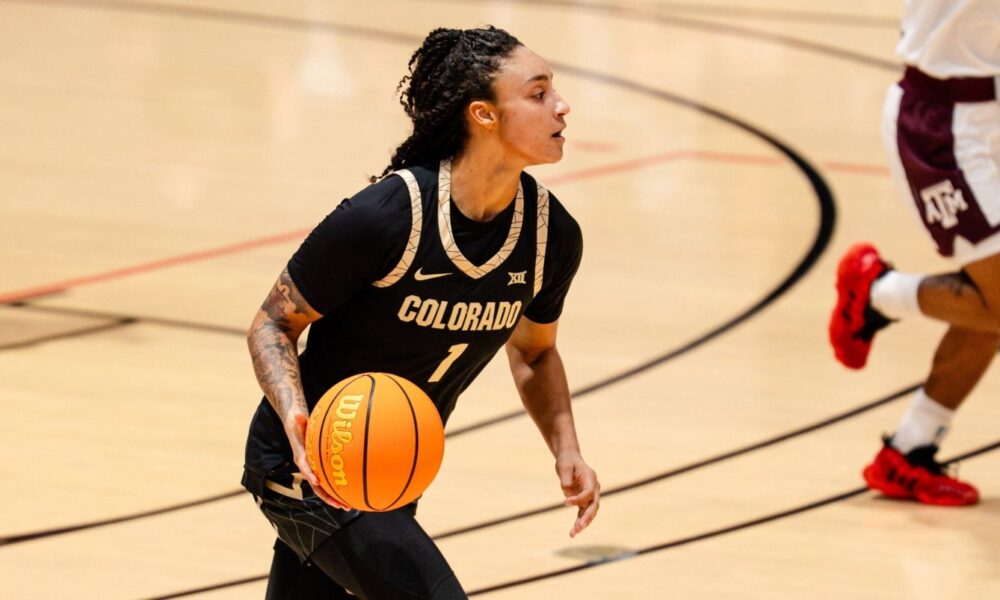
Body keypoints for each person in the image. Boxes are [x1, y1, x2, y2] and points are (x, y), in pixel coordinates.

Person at [241, 26, 600, 599]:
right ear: (483, 115)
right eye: (538, 94)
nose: (561, 105)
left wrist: (566, 448)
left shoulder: (550, 236)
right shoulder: (386, 217)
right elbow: (272, 323)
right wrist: (295, 419)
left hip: (389, 469)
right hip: (307, 465)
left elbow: (534, 352)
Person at [829, 0, 999, 506]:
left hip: (986, 110)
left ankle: (909, 449)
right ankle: (877, 291)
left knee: (992, 301)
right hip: (946, 127)